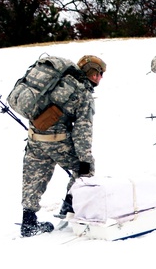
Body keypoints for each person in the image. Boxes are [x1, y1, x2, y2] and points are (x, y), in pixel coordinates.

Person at [20, 54, 105, 237]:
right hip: (57, 141)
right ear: (94, 74)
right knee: (84, 170)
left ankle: (28, 221)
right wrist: (84, 160)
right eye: (99, 74)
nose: (100, 78)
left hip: (35, 137)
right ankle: (70, 207)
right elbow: (82, 131)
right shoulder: (83, 92)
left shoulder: (55, 82)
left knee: (33, 175)